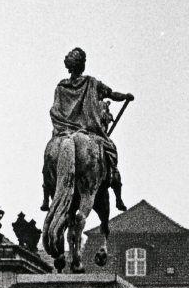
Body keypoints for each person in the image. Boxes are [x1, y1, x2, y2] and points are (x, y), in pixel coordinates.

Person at [44, 47, 132, 213]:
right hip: (88, 131)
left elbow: (55, 110)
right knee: (111, 152)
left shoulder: (61, 87)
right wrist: (126, 96)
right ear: (82, 65)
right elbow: (112, 94)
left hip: (63, 130)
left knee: (50, 154)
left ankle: (46, 193)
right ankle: (117, 192)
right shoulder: (92, 83)